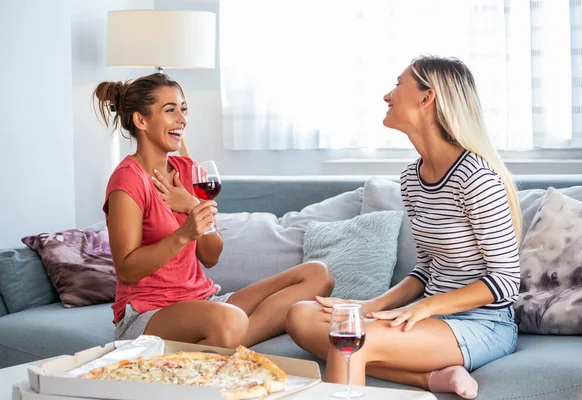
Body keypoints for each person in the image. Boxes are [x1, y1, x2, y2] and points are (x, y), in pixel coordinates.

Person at [285, 55, 522, 399]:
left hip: (481, 324)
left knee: (350, 341)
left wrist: (424, 307)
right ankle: (431, 378)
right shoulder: (412, 178)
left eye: (398, 84)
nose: (387, 95)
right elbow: (426, 267)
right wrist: (369, 306)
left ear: (427, 98)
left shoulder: (476, 179)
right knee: (301, 316)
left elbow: (505, 281)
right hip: (426, 319)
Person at [94, 73, 334, 348]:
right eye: (170, 110)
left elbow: (211, 256)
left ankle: (225, 342)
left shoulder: (187, 170)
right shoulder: (128, 180)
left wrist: (193, 207)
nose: (182, 120)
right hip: (147, 313)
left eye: (183, 110)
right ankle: (227, 339)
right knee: (229, 320)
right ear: (141, 120)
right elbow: (127, 269)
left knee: (318, 275)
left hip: (204, 300)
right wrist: (183, 234)